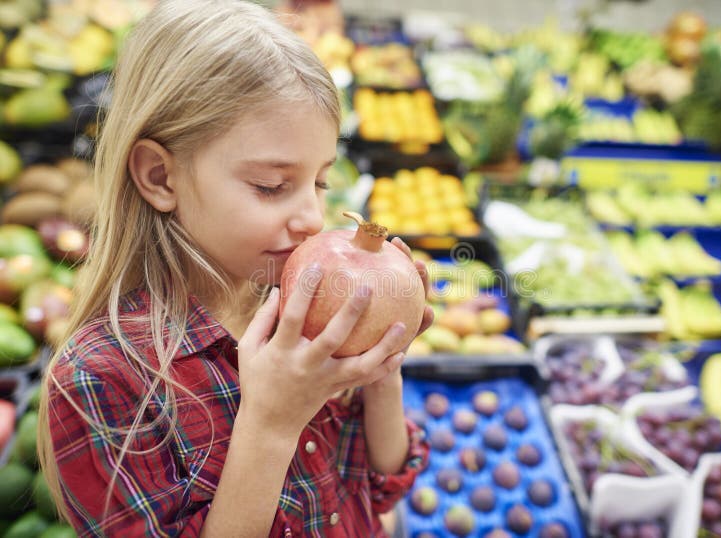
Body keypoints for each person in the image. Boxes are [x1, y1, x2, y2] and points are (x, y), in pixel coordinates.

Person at [37, 1, 433, 536]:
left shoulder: (302, 302)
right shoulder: (100, 380)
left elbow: (383, 486)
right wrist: (270, 423)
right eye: (271, 186)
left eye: (320, 181)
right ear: (160, 176)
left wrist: (382, 369)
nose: (313, 218)